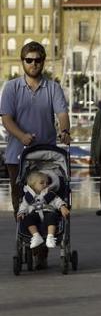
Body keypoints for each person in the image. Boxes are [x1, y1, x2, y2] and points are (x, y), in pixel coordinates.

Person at [1, 42, 70, 270]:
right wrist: (21, 136)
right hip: (17, 157)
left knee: (46, 201)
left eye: (37, 60)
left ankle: (40, 252)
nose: (33, 64)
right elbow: (6, 119)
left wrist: (65, 130)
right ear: (22, 62)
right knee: (22, 204)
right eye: (28, 60)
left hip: (45, 158)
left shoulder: (53, 88)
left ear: (43, 62)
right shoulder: (11, 88)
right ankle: (30, 242)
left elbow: (62, 113)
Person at [16, 171, 70, 249]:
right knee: (27, 218)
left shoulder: (50, 194)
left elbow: (57, 201)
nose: (45, 185)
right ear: (33, 185)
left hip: (47, 212)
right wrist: (21, 213)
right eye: (42, 183)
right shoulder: (28, 197)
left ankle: (50, 237)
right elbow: (23, 206)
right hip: (34, 214)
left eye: (47, 183)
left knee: (52, 216)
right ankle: (36, 236)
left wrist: (62, 207)